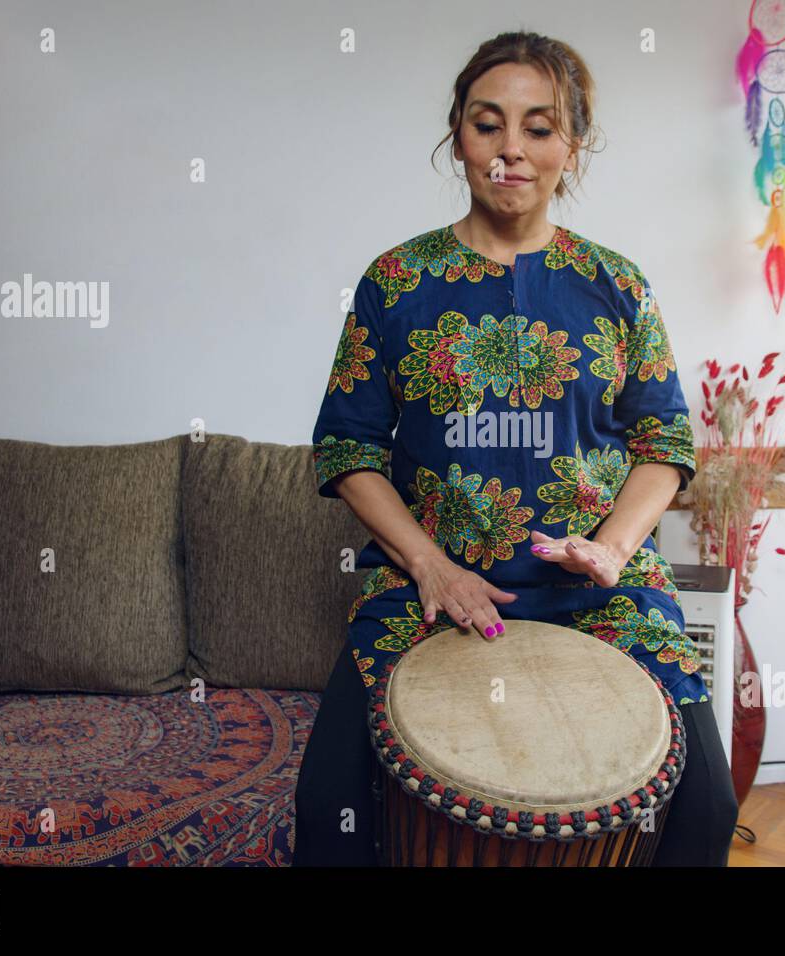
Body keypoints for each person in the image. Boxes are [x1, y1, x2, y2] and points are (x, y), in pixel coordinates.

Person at [293, 30, 739, 867]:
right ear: (456, 136)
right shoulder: (394, 283)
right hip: (440, 587)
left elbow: (666, 440)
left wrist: (612, 550)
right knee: (326, 805)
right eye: (486, 123)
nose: (510, 150)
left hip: (599, 591)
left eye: (539, 128)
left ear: (573, 145)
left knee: (706, 807)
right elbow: (345, 449)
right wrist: (430, 566)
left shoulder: (619, 286)